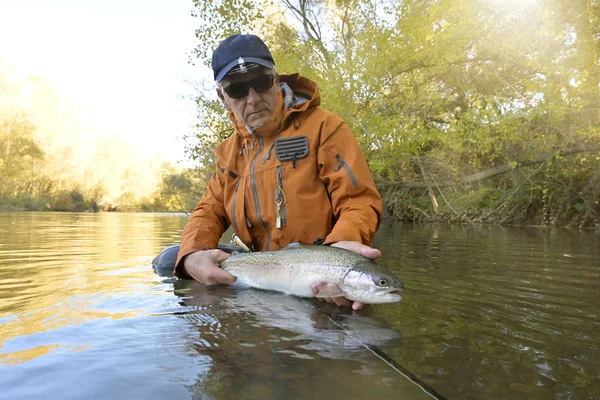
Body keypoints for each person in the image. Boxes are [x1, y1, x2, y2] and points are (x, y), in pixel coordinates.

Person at [175, 34, 382, 310]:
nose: (252, 99)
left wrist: (340, 254)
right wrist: (190, 256)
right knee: (170, 260)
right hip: (262, 268)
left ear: (275, 79)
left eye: (261, 83)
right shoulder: (229, 153)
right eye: (237, 90)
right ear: (223, 98)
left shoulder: (325, 128)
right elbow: (208, 212)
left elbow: (358, 201)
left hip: (316, 265)